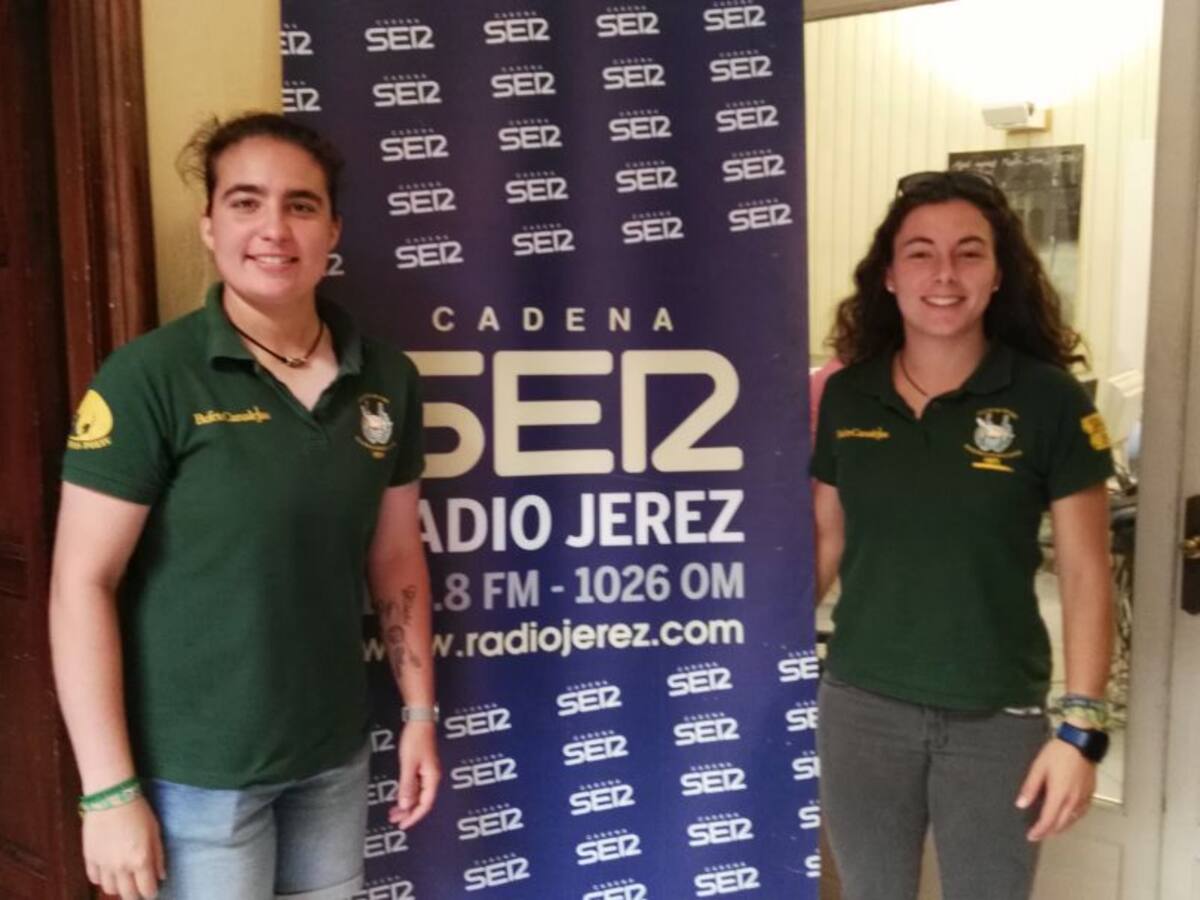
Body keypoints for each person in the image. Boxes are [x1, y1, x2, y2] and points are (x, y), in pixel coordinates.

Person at [49, 112, 439, 900]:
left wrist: (419, 714)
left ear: (333, 227)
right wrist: (108, 791)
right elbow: (79, 584)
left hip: (331, 758)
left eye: (300, 205)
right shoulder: (150, 379)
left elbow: (395, 558)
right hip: (198, 778)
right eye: (245, 202)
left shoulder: (386, 379)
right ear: (208, 224)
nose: (274, 229)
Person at [811, 170, 1114, 900]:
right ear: (888, 275)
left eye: (969, 252)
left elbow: (1084, 573)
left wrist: (1081, 730)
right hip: (860, 710)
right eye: (920, 252)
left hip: (996, 720)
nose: (944, 274)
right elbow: (825, 540)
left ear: (997, 271)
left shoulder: (1048, 399)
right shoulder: (848, 395)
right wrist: (751, 662)